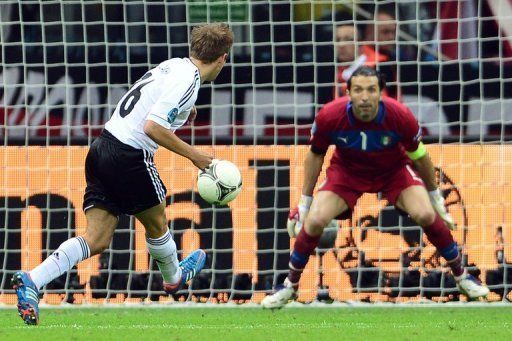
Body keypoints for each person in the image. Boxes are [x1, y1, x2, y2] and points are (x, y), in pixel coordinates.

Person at [12, 23, 234, 325]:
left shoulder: (174, 66)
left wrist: (184, 110)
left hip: (102, 146)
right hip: (130, 154)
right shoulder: (188, 82)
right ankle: (174, 278)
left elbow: (148, 99)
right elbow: (153, 127)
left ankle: (31, 281)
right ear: (223, 58)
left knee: (97, 238)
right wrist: (195, 156)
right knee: (157, 222)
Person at [261, 66, 489, 309]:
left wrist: (436, 196)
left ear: (381, 93)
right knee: (315, 220)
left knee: (425, 213)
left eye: (371, 89)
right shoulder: (330, 116)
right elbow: (315, 155)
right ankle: (289, 285)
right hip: (347, 172)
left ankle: (463, 277)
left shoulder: (399, 115)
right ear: (347, 93)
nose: (365, 96)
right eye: (358, 90)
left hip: (393, 171)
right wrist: (304, 202)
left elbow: (420, 156)